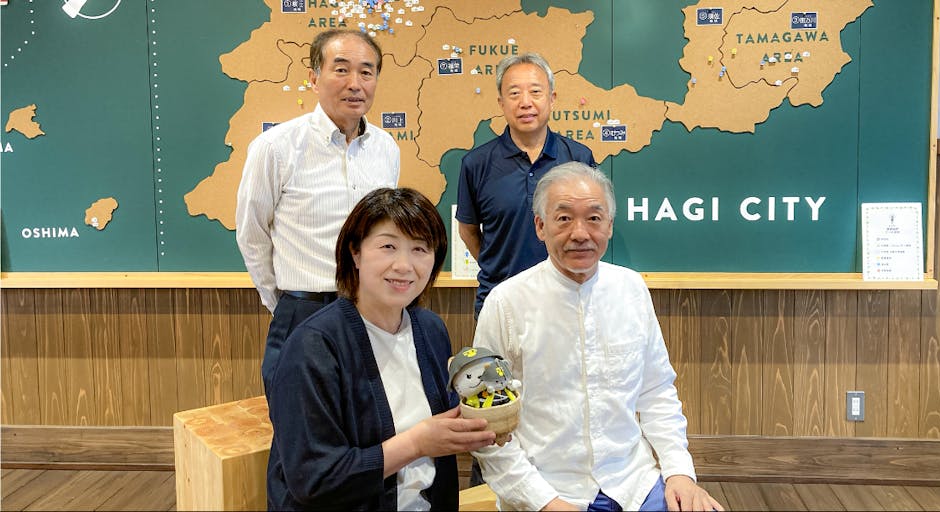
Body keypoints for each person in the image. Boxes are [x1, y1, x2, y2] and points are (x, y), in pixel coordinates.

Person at [472, 162, 724, 512]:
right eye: (564, 219)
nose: (580, 233)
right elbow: (486, 425)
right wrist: (544, 502)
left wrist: (680, 473)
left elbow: (656, 391)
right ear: (540, 226)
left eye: (594, 218)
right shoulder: (506, 303)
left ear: (609, 225)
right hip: (548, 488)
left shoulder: (631, 289)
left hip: (634, 482)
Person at [265, 188, 497, 510]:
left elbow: (443, 420)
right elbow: (314, 479)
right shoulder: (313, 346)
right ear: (355, 253)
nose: (404, 265)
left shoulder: (430, 329)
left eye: (420, 249)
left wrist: (486, 421)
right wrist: (416, 443)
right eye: (388, 246)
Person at [236, 28, 400, 389]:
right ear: (313, 78)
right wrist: (285, 303)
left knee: (371, 413)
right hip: (304, 309)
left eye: (366, 72)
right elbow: (252, 234)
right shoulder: (275, 147)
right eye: (341, 70)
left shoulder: (386, 148)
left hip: (371, 309)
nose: (355, 83)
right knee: (299, 415)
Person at [456, 52, 596, 318]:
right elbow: (468, 231)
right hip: (499, 301)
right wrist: (498, 266)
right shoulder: (476, 163)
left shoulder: (579, 158)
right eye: (514, 93)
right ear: (501, 102)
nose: (525, 102)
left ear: (552, 98)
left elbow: (591, 225)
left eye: (535, 92)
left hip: (567, 300)